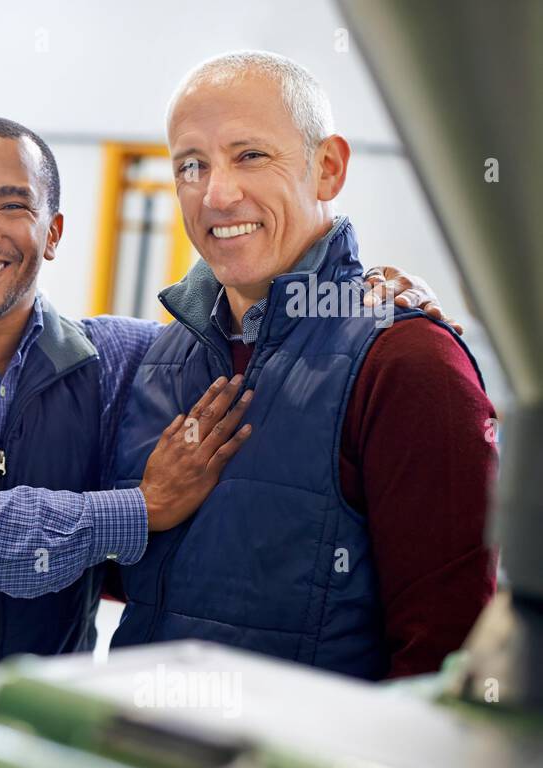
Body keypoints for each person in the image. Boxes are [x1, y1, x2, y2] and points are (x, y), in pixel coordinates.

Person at [0, 115, 447, 733]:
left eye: (13, 206)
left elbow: (246, 339)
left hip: (16, 748)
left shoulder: (115, 361)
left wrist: (358, 296)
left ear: (53, 233)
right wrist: (137, 510)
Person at [107, 51, 496, 679]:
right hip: (136, 758)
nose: (217, 193)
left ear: (328, 168)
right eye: (191, 165)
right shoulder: (160, 358)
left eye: (250, 156)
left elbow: (445, 662)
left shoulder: (407, 364)